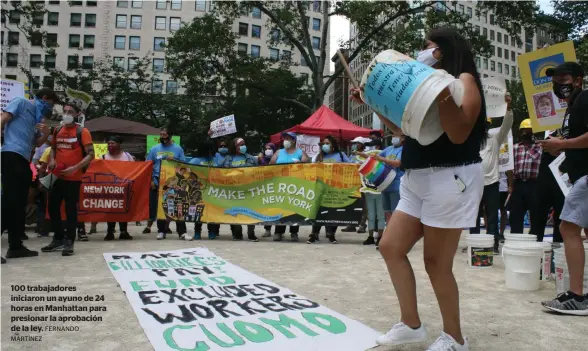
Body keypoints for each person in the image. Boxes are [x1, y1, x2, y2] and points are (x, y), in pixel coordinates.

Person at [352, 28, 486, 350]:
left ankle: (455, 338)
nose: (422, 53)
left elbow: (458, 134)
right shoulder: (422, 86)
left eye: (428, 47)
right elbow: (402, 129)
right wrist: (371, 101)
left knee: (436, 263)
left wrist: (440, 90)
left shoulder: (464, 81)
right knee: (390, 247)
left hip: (450, 178)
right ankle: (411, 324)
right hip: (416, 177)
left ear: (443, 51)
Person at [539, 62, 588, 315]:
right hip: (580, 173)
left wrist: (563, 143)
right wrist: (560, 147)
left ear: (578, 80)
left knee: (567, 227)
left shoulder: (585, 99)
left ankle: (578, 297)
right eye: (555, 79)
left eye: (564, 78)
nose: (559, 83)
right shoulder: (570, 108)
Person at [1, 87, 55, 262]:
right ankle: (14, 245)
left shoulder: (36, 118)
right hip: (11, 155)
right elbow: (3, 119)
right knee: (9, 202)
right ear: (44, 98)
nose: (50, 108)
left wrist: (45, 134)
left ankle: (15, 246)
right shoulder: (21, 102)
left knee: (18, 204)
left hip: (24, 159)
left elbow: (35, 143)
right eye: (51, 104)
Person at [41, 103, 94, 257]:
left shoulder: (82, 131)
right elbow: (54, 148)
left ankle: (69, 242)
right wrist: (51, 160)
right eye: (64, 111)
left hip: (74, 177)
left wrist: (75, 168)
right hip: (57, 176)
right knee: (52, 208)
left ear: (77, 114)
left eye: (70, 112)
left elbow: (91, 154)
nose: (66, 114)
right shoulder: (58, 129)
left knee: (71, 210)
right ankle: (57, 239)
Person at [470, 96, 513, 253]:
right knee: (474, 215)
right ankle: (474, 243)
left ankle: (493, 244)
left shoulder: (495, 139)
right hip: (475, 183)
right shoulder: (472, 141)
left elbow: (506, 126)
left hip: (492, 183)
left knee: (492, 215)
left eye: (486, 125)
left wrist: (508, 109)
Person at [308, 135, 350, 244]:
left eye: (327, 143)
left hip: (336, 187)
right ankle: (314, 233)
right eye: (323, 143)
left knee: (334, 210)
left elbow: (351, 166)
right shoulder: (320, 156)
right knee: (318, 210)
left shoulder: (341, 155)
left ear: (333, 145)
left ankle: (331, 234)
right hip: (321, 186)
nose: (325, 145)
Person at [145, 128, 186, 240]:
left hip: (174, 182)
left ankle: (182, 232)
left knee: (177, 205)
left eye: (165, 134)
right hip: (158, 181)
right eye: (161, 134)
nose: (162, 136)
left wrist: (175, 160)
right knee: (160, 207)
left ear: (170, 136)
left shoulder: (178, 149)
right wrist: (151, 181)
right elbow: (148, 166)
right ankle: (161, 231)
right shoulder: (154, 149)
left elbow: (184, 164)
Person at [269, 132, 310, 242]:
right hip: (280, 186)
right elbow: (269, 166)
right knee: (281, 209)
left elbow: (308, 166)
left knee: (294, 208)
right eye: (284, 138)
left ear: (294, 141)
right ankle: (278, 232)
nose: (285, 140)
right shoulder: (278, 152)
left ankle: (294, 232)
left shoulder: (300, 152)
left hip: (295, 186)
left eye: (288, 138)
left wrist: (301, 163)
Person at [221, 137, 259, 242]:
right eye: (240, 144)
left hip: (249, 190)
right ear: (235, 146)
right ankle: (237, 233)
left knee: (251, 211)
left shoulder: (252, 159)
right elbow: (219, 172)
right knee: (235, 212)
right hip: (234, 191)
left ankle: (251, 234)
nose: (243, 146)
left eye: (244, 144)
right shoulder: (228, 159)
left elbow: (259, 173)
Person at [531, 130, 565, 243]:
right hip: (544, 177)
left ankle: (557, 250)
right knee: (538, 216)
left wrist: (561, 144)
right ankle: (535, 247)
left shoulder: (566, 129)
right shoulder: (542, 130)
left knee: (560, 218)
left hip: (561, 175)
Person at [509, 118, 542, 234]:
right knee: (515, 215)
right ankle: (516, 239)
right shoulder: (515, 147)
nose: (526, 133)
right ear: (520, 132)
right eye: (524, 131)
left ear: (533, 132)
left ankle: (534, 240)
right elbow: (510, 168)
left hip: (534, 185)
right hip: (518, 185)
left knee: (536, 215)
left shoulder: (540, 147)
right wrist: (510, 186)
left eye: (529, 131)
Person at [354, 138, 386, 247]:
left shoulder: (383, 157)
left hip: (380, 190)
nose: (371, 148)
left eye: (373, 146)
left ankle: (381, 237)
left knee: (380, 215)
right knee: (371, 215)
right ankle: (371, 236)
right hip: (368, 190)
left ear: (377, 147)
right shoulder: (366, 159)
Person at [186, 139, 221, 240]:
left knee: (212, 212)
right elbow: (188, 170)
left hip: (212, 191)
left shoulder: (215, 160)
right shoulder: (195, 161)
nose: (210, 152)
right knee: (199, 212)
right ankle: (197, 232)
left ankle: (212, 231)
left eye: (211, 149)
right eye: (208, 149)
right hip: (199, 192)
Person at [102, 135, 134, 241]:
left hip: (124, 187)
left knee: (123, 209)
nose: (110, 145)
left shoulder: (127, 156)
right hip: (109, 188)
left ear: (119, 144)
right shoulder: (103, 157)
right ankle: (110, 232)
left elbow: (134, 170)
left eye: (113, 143)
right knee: (110, 210)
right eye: (109, 143)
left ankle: (123, 232)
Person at [342, 136, 369, 234]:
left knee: (364, 204)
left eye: (356, 143)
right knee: (352, 203)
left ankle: (362, 224)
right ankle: (351, 224)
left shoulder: (366, 155)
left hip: (363, 183)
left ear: (361, 145)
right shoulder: (352, 156)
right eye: (354, 143)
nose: (354, 145)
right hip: (352, 183)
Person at [259, 142, 278, 237]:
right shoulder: (262, 160)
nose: (267, 150)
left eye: (270, 148)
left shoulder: (278, 159)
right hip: (266, 187)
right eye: (266, 149)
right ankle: (267, 230)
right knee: (267, 209)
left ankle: (278, 231)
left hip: (277, 187)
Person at [498, 171, 513, 238]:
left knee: (503, 211)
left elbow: (510, 170)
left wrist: (510, 185)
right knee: (488, 211)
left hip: (503, 187)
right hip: (491, 185)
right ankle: (491, 232)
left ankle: (501, 233)